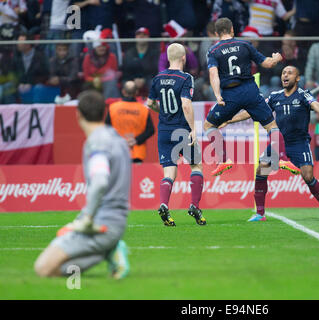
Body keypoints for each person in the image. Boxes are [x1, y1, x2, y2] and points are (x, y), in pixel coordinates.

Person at [34, 90, 131, 280]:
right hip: (117, 220)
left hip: (100, 224)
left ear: (77, 114)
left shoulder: (97, 142)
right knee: (58, 265)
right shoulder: (116, 138)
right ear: (104, 112)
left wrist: (87, 218)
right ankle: (108, 249)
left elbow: (100, 181)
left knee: (43, 269)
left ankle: (107, 251)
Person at [221, 66, 319, 222]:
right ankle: (260, 214)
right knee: (261, 170)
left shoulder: (303, 95)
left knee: (308, 176)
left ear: (297, 78)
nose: (285, 75)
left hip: (299, 143)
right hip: (279, 142)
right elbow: (254, 110)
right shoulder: (275, 96)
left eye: (289, 73)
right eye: (283, 73)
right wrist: (229, 119)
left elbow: (315, 104)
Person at [204, 17, 299, 176]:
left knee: (209, 126)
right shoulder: (245, 45)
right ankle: (282, 157)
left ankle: (223, 160)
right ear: (232, 29)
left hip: (230, 94)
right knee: (272, 126)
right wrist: (275, 58)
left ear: (216, 33)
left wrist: (217, 95)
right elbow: (267, 63)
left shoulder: (213, 51)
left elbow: (213, 74)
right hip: (250, 91)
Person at [147, 43, 206, 227]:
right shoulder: (185, 77)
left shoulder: (157, 78)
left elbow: (150, 103)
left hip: (164, 130)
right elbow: (186, 105)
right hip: (181, 129)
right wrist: (193, 129)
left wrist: (163, 111)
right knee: (196, 166)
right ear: (183, 58)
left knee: (169, 172)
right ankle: (194, 206)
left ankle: (164, 204)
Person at [106, 81, 155, 163]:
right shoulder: (143, 110)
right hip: (137, 153)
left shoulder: (113, 108)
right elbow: (150, 130)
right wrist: (136, 140)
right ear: (136, 92)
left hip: (117, 151)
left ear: (123, 91)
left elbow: (107, 129)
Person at [121, 27, 160, 96]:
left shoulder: (155, 53)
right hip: (131, 79)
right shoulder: (128, 53)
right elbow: (125, 71)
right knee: (127, 84)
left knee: (154, 83)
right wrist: (134, 79)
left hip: (149, 79)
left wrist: (144, 79)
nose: (141, 36)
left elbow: (155, 70)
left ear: (148, 37)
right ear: (135, 37)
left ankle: (155, 103)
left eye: (144, 35)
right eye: (139, 35)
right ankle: (127, 102)